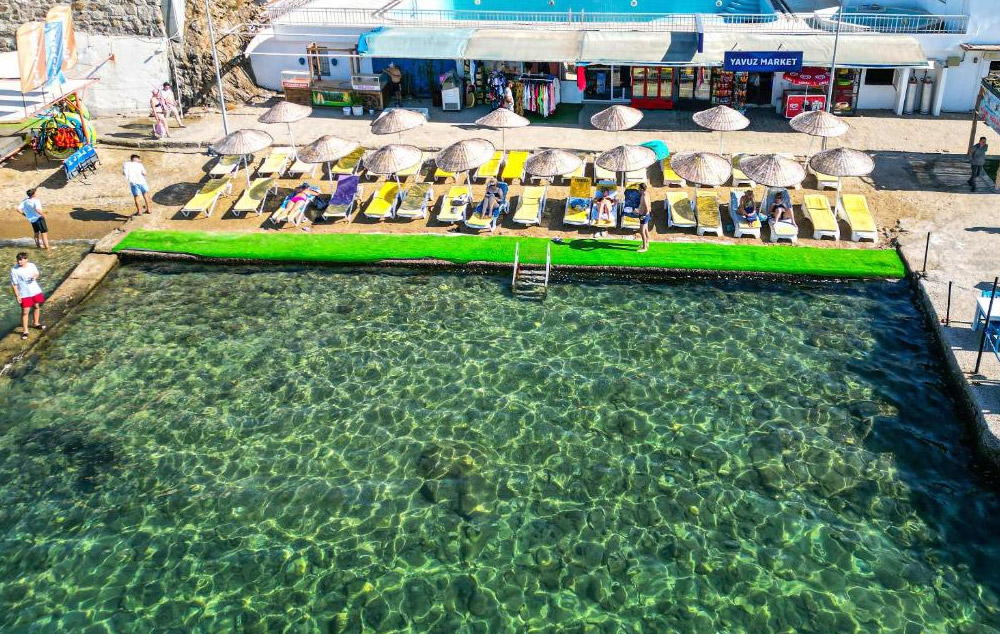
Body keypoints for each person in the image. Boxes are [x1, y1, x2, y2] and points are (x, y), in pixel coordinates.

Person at [10, 252, 45, 340]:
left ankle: (36, 323)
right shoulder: (14, 270)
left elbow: (36, 273)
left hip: (35, 291)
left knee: (37, 307)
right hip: (24, 294)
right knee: (25, 312)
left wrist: (35, 276)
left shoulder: (31, 265)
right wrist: (17, 296)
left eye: (21, 260)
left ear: (26, 259)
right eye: (18, 260)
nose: (19, 262)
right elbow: (14, 284)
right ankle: (25, 331)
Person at [636, 183, 652, 253]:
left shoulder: (644, 196)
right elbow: (649, 205)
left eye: (639, 188)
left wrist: (644, 215)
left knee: (642, 231)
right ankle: (647, 243)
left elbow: (647, 208)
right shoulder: (646, 194)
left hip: (644, 216)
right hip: (645, 215)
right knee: (645, 229)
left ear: (642, 189)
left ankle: (644, 247)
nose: (638, 189)